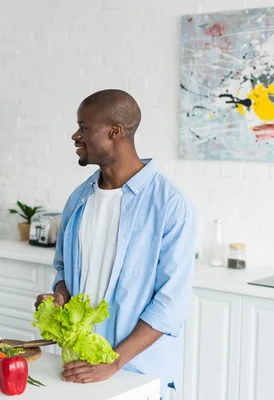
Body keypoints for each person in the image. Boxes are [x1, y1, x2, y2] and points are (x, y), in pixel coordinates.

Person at [35, 89, 196, 397]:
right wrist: (59, 295)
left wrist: (113, 362)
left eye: (83, 127)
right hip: (79, 365)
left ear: (115, 132)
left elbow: (171, 303)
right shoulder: (79, 198)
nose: (75, 135)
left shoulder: (170, 206)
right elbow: (64, 271)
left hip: (133, 374)